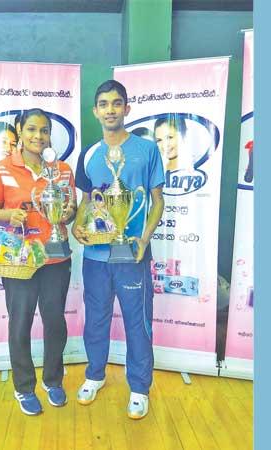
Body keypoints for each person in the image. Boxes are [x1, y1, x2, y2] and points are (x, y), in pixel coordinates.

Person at [71, 80, 165, 420]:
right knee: (95, 319)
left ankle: (139, 387)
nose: (110, 109)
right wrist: (76, 226)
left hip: (132, 255)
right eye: (104, 104)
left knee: (137, 322)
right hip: (96, 257)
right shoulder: (90, 154)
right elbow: (85, 200)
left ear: (127, 108)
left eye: (116, 103)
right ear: (95, 111)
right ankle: (95, 375)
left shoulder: (147, 149)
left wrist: (145, 238)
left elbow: (157, 200)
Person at [0, 108, 77, 416]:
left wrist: (68, 213)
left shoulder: (61, 169)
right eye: (32, 129)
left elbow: (71, 208)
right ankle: (24, 386)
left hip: (56, 257)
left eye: (44, 130)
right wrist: (10, 214)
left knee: (55, 322)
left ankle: (53, 380)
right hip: (20, 261)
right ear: (19, 132)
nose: (38, 135)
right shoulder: (3, 169)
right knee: (20, 324)